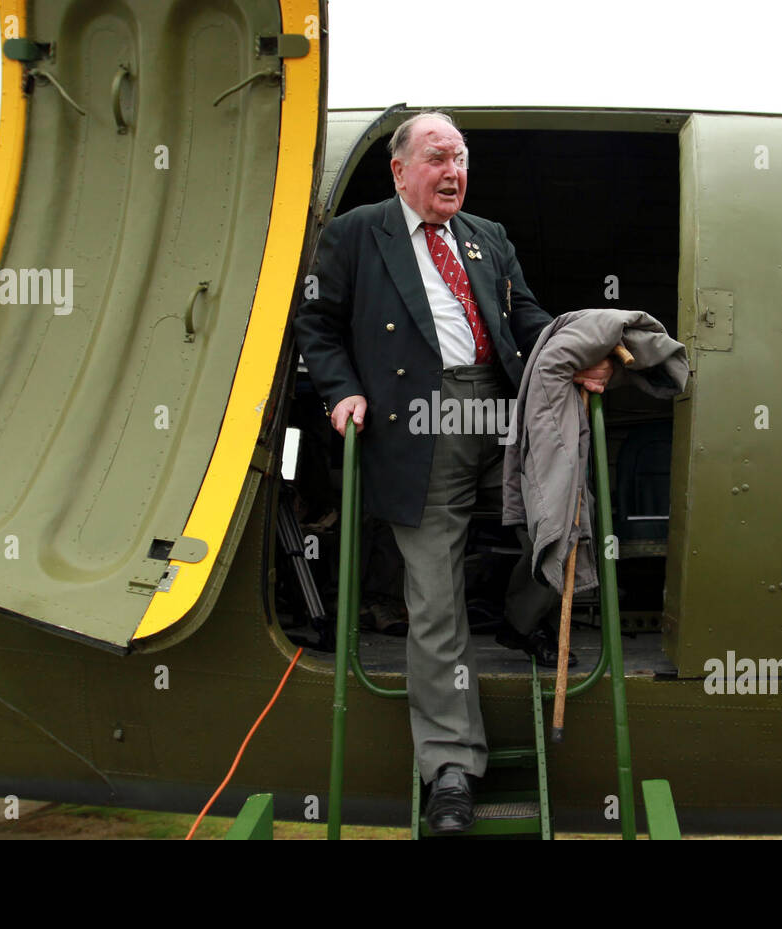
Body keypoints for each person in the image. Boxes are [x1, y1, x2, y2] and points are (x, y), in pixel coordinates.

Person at [294, 111, 611, 833]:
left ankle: (517, 616)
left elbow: (527, 318)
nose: (453, 171)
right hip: (416, 421)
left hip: (499, 409)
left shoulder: (487, 237)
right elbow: (314, 323)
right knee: (433, 594)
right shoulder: (355, 234)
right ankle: (450, 767)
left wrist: (578, 353)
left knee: (562, 512)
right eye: (438, 157)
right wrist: (342, 389)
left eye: (461, 158)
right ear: (401, 169)